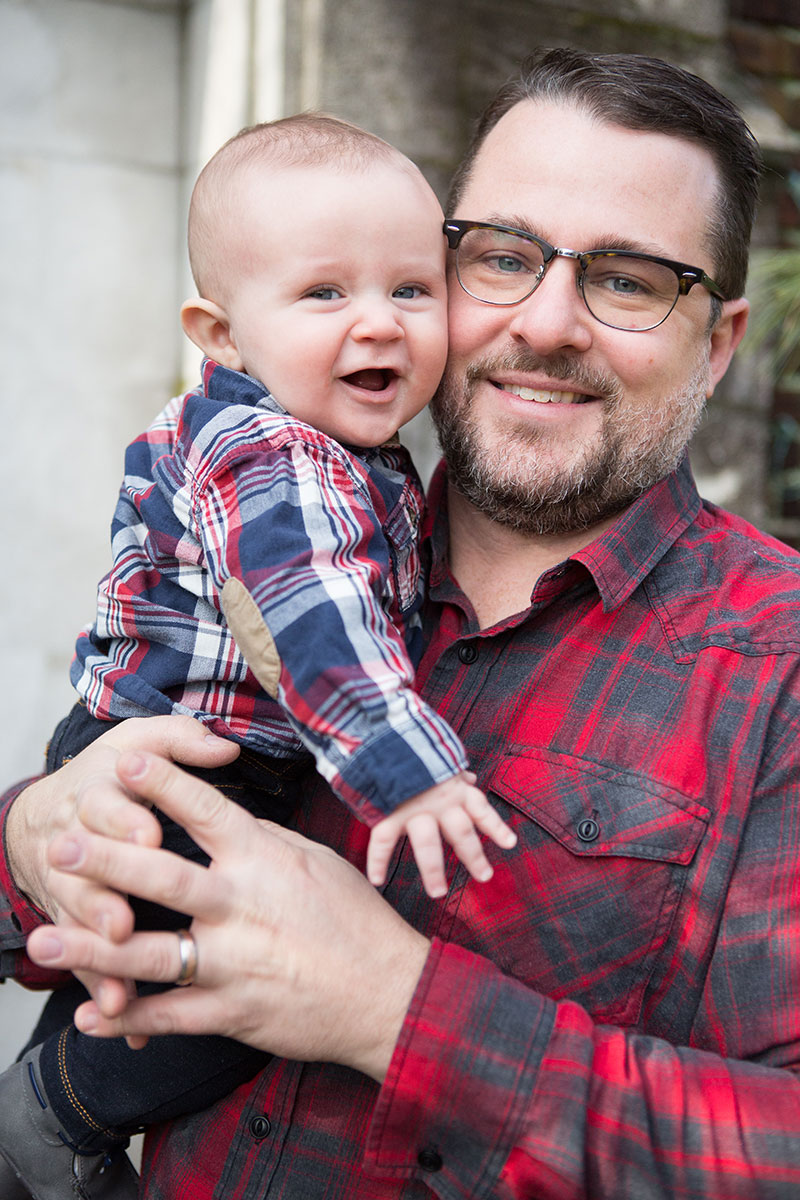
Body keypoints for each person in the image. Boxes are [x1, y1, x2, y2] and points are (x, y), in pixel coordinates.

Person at [6, 43, 800, 1199]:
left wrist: (397, 1010)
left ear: (716, 343)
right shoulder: (294, 524)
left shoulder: (772, 665)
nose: (547, 322)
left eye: (625, 279)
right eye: (503, 257)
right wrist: (36, 844)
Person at [0, 113, 515, 1200]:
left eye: (411, 290)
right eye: (325, 294)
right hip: (191, 771)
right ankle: (54, 1115)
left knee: (135, 978)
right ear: (220, 332)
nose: (376, 323)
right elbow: (308, 623)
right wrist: (408, 775)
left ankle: (44, 1127)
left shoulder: (321, 441)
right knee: (258, 988)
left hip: (167, 758)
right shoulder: (276, 455)